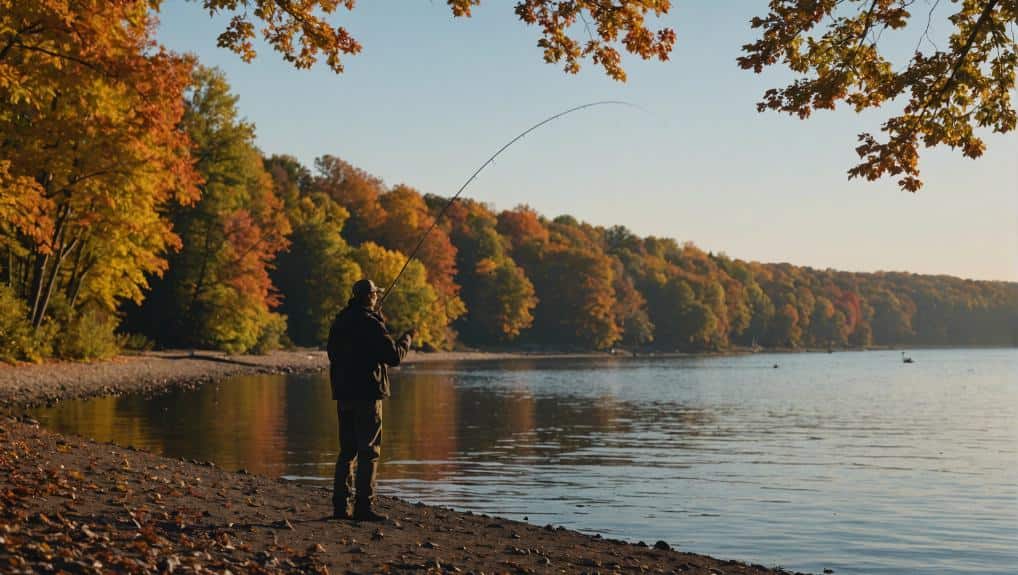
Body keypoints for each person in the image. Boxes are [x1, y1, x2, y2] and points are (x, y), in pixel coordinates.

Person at [326, 279, 414, 521]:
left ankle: (340, 507)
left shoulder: (340, 321)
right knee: (369, 451)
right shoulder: (371, 324)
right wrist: (407, 339)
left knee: (347, 451)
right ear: (369, 297)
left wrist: (378, 323)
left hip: (343, 394)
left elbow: (332, 353)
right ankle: (364, 507)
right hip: (367, 395)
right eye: (374, 294)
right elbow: (393, 356)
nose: (376, 297)